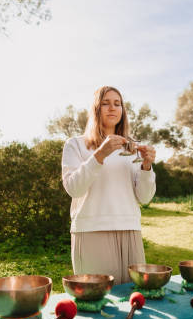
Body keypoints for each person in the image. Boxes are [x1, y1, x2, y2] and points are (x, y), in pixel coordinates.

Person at [61, 86, 156, 284]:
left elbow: (144, 197)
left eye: (117, 103)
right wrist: (100, 154)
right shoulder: (76, 145)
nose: (112, 108)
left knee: (134, 296)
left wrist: (147, 166)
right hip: (91, 231)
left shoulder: (133, 148)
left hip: (130, 229)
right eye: (105, 103)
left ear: (122, 110)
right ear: (96, 109)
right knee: (99, 299)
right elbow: (74, 188)